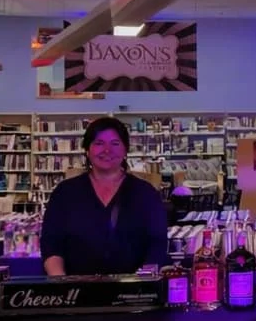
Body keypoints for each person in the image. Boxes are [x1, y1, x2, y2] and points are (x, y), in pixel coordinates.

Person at [40, 116, 168, 276]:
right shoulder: (65, 193)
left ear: (126, 149)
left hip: (133, 292)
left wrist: (142, 285)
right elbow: (51, 244)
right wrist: (61, 283)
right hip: (75, 292)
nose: (107, 150)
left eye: (115, 144)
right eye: (99, 143)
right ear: (87, 150)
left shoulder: (145, 193)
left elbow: (158, 243)